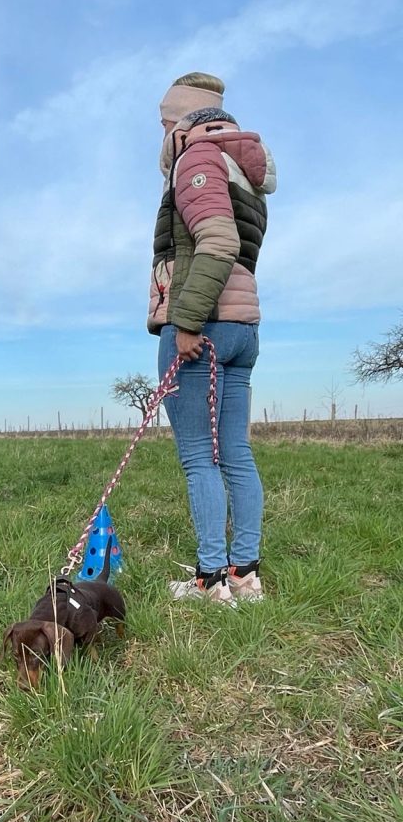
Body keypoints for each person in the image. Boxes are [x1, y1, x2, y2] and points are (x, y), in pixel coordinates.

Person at [147, 72, 276, 603]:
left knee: (200, 457)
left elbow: (217, 240)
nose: (161, 133)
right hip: (243, 328)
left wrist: (189, 321)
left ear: (182, 119)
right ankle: (245, 573)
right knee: (237, 453)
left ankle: (210, 579)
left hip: (206, 326)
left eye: (163, 122)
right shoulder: (240, 166)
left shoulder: (196, 157)